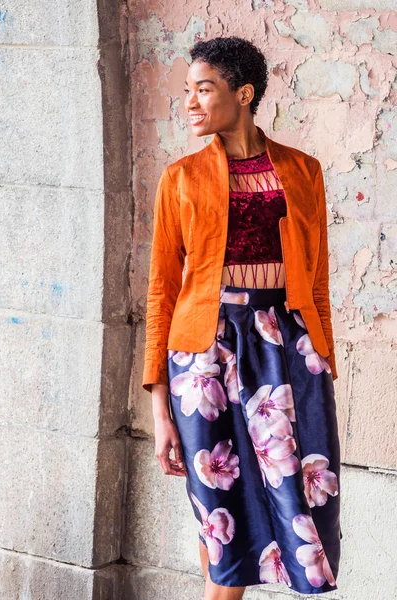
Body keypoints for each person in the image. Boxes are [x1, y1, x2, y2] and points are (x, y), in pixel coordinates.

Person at [142, 36, 341, 600]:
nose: (190, 102)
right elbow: (162, 290)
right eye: (188, 91)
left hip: (288, 347)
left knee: (298, 496)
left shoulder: (303, 171)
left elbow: (317, 277)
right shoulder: (179, 179)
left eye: (203, 89)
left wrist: (322, 360)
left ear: (244, 93)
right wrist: (158, 406)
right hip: (205, 354)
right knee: (216, 507)